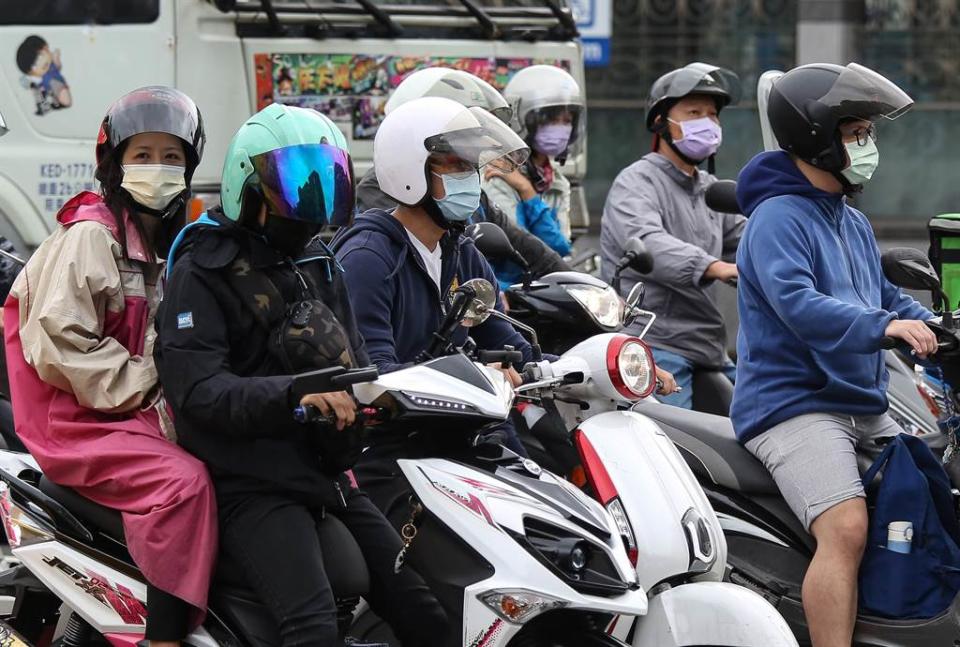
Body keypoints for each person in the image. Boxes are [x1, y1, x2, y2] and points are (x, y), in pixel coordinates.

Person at [155, 103, 447, 647]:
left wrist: (382, 398)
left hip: (327, 472)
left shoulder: (318, 261)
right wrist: (298, 395)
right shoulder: (202, 268)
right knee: (312, 627)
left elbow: (358, 362)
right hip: (251, 481)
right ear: (249, 184)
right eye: (293, 181)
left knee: (424, 613)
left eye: (324, 178)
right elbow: (197, 393)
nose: (310, 200)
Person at [3, 86, 216, 646]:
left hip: (121, 409)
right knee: (184, 483)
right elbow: (59, 343)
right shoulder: (92, 235)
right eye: (142, 155)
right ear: (114, 163)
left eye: (172, 157)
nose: (158, 169)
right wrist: (152, 383)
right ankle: (165, 637)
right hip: (75, 421)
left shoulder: (160, 239)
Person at [732, 62, 935, 647]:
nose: (867, 146)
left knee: (926, 497)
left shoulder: (850, 219)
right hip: (793, 405)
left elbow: (886, 295)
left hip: (861, 401)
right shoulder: (775, 219)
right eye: (856, 133)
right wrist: (888, 326)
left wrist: (937, 329)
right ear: (816, 136)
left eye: (869, 133)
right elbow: (801, 306)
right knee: (845, 528)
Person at [331, 97, 541, 523]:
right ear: (410, 172)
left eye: (471, 167)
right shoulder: (369, 257)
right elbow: (376, 377)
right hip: (389, 453)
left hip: (460, 437)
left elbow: (512, 347)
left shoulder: (462, 254)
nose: (471, 180)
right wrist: (480, 377)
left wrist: (603, 366)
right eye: (454, 166)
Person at [600, 62, 744, 409]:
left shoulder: (710, 189)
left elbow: (749, 234)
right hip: (656, 341)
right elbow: (646, 239)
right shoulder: (636, 183)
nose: (707, 123)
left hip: (708, 345)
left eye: (712, 115)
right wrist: (716, 267)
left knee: (772, 418)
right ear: (661, 122)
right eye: (694, 112)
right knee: (678, 446)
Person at [356, 66, 570, 290]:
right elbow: (427, 269)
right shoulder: (384, 196)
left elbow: (529, 248)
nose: (467, 168)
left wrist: (578, 284)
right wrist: (491, 291)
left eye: (469, 161)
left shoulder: (467, 236)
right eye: (456, 160)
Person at [482, 65, 583, 258]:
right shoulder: (496, 172)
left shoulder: (557, 182)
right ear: (521, 119)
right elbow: (518, 247)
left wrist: (526, 190)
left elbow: (561, 248)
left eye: (567, 120)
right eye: (552, 121)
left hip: (544, 281)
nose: (562, 129)